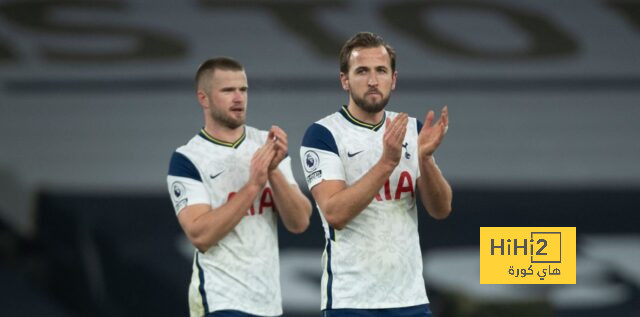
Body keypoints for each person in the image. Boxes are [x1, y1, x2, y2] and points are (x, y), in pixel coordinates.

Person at [299, 32, 453, 316]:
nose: (373, 80)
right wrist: (386, 164)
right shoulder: (323, 135)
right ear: (345, 80)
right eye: (362, 71)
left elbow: (441, 208)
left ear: (393, 79)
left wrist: (425, 158)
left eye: (381, 70)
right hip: (351, 300)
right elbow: (335, 213)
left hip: (410, 298)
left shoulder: (411, 129)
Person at [167, 57, 312, 317]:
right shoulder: (188, 158)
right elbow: (200, 236)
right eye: (227, 90)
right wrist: (253, 185)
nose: (238, 98)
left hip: (268, 302)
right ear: (204, 98)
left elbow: (300, 222)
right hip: (220, 300)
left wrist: (273, 171)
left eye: (243, 90)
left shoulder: (267, 145)